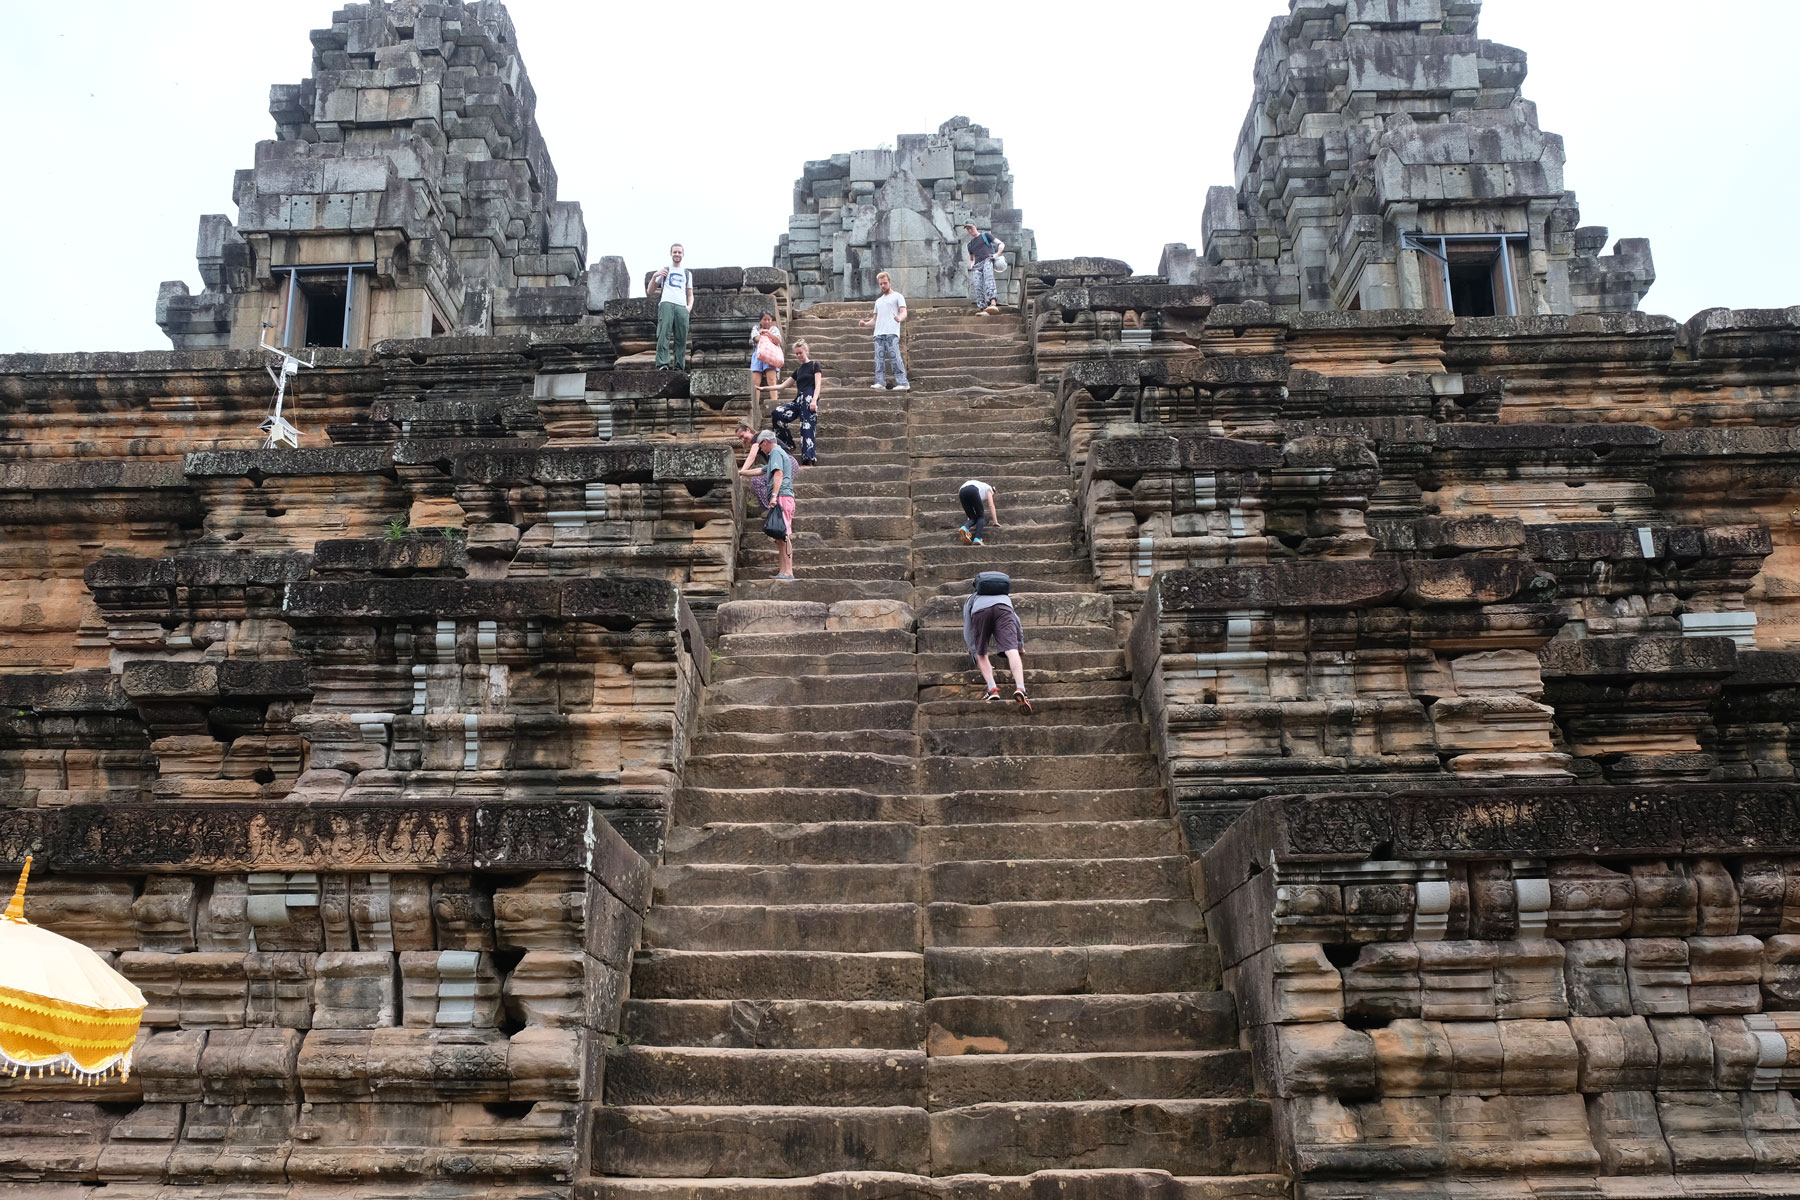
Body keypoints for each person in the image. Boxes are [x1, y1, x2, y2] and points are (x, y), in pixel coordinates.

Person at [963, 576, 1030, 712]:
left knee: (981, 653)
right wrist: (1020, 644)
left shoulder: (972, 598)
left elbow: (968, 627)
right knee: (1012, 650)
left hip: (980, 612)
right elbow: (1016, 621)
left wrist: (974, 651)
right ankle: (1020, 688)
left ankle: (992, 689)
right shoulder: (1004, 598)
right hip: (1004, 610)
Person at [739, 429, 798, 580]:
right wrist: (742, 472)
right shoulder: (774, 455)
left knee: (784, 536)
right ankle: (783, 571)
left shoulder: (776, 452)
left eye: (760, 446)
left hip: (782, 497)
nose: (761, 449)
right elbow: (761, 470)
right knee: (779, 537)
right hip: (782, 497)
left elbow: (778, 473)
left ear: (765, 442)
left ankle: (788, 571)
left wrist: (773, 496)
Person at [763, 340, 822, 465]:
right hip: (799, 399)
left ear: (806, 351)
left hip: (809, 398)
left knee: (807, 428)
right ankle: (788, 443)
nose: (799, 356)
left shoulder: (814, 365)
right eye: (796, 354)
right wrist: (765, 388)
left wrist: (814, 400)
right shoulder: (798, 370)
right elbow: (783, 386)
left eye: (800, 353)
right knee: (777, 413)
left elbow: (818, 385)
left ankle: (809, 460)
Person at [857, 271, 909, 391]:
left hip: (891, 332)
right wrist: (865, 324)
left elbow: (903, 311)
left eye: (885, 283)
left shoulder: (898, 296)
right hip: (878, 334)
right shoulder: (878, 301)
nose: (883, 286)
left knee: (895, 357)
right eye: (881, 284)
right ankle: (880, 382)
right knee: (878, 360)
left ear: (889, 282)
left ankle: (903, 382)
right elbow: (875, 320)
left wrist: (899, 318)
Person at [652, 244, 694, 371]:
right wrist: (655, 276)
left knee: (681, 337)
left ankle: (679, 367)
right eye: (675, 252)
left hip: (682, 306)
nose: (677, 254)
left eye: (679, 252)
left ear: (683, 254)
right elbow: (650, 290)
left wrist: (689, 307)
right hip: (666, 303)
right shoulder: (665, 270)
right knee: (663, 333)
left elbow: (690, 293)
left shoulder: (687, 273)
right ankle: (662, 364)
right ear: (671, 253)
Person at [965, 222, 1004, 315]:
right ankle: (983, 309)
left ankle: (993, 303)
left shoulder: (985, 235)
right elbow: (972, 257)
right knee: (977, 286)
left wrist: (997, 254)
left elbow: (1001, 244)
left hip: (987, 259)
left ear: (975, 226)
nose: (970, 230)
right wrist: (972, 264)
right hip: (977, 265)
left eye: (971, 227)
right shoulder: (970, 244)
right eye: (967, 229)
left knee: (988, 279)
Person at [748, 311, 783, 398]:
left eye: (769, 319)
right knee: (756, 382)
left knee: (771, 380)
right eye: (764, 319)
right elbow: (756, 338)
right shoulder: (756, 328)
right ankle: (756, 406)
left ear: (771, 320)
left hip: (770, 354)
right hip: (758, 354)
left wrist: (768, 333)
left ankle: (774, 402)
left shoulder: (774, 329)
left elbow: (778, 341)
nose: (767, 321)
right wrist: (769, 337)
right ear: (760, 320)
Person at [958, 478, 1000, 545]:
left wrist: (969, 523)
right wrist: (995, 522)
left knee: (972, 517)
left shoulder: (980, 487)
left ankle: (964, 528)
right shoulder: (989, 489)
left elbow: (971, 511)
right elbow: (991, 505)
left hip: (961, 492)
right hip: (973, 490)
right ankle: (977, 538)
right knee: (981, 516)